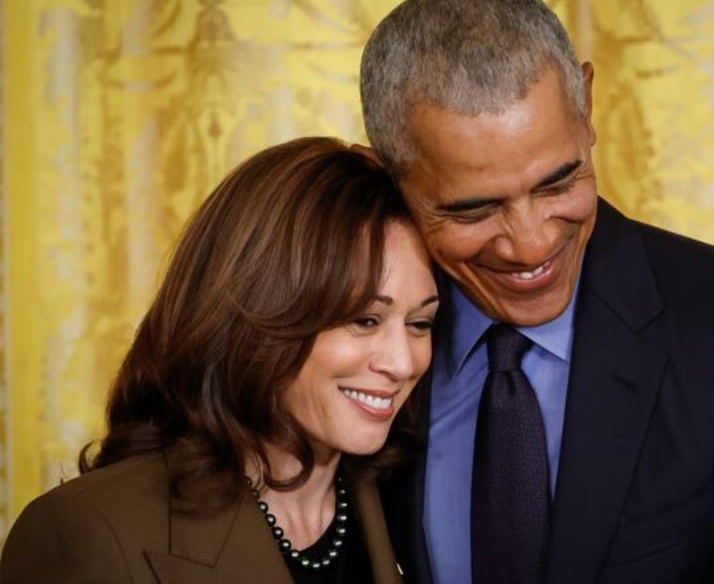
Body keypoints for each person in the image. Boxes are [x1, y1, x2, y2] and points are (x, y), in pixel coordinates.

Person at [359, 0, 714, 583]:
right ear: (389, 175)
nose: (532, 243)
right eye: (474, 210)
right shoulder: (354, 353)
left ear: (586, 105)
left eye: (558, 182)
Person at [0, 137, 440, 584]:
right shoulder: (88, 531)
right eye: (364, 320)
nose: (402, 363)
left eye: (420, 324)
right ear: (261, 312)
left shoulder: (414, 507)